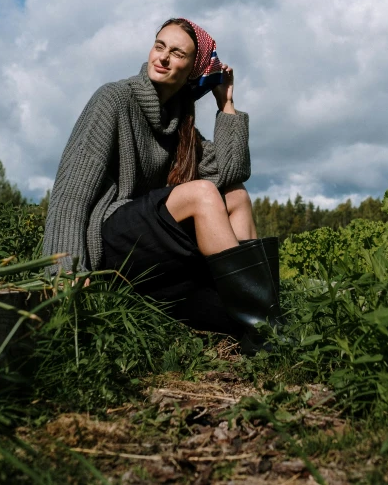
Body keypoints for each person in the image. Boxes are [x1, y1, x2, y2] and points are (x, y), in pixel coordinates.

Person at [42, 18, 280, 352]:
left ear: (191, 70)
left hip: (149, 248)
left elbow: (230, 170)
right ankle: (266, 321)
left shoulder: (179, 120)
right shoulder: (114, 99)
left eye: (177, 53)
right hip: (110, 236)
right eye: (159, 46)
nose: (163, 57)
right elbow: (72, 191)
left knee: (236, 195)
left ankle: (265, 320)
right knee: (202, 193)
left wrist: (225, 104)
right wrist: (64, 270)